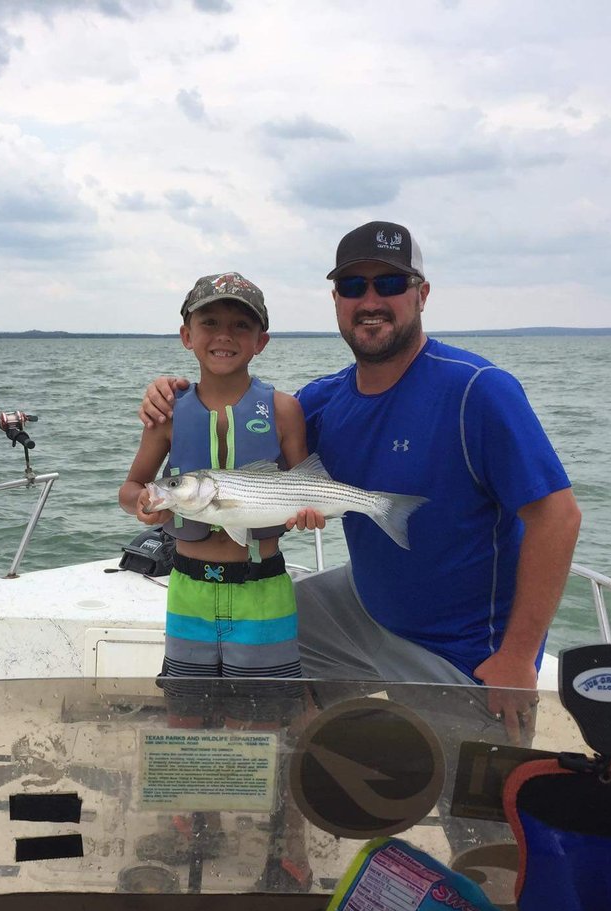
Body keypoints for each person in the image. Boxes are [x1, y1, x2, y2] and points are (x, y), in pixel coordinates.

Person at [141, 223, 581, 738]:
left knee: (475, 814)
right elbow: (245, 429)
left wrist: (518, 658)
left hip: (460, 647)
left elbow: (558, 517)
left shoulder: (478, 392)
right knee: (265, 644)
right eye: (354, 288)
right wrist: (173, 392)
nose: (370, 300)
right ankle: (288, 782)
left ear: (422, 294)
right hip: (364, 605)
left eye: (389, 284)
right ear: (336, 301)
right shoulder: (322, 403)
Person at [120, 271, 315, 719]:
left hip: (264, 586)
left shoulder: (284, 409)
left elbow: (303, 482)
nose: (224, 336)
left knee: (265, 720)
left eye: (240, 326)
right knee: (186, 713)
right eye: (209, 323)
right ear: (187, 335)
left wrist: (309, 514)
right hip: (188, 586)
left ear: (260, 341)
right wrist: (142, 506)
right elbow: (130, 487)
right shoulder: (168, 412)